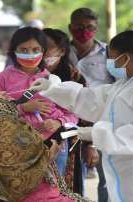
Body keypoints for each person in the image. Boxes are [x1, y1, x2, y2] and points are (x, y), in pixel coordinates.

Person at [30, 23, 133, 202]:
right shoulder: (125, 85)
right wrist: (53, 88)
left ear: (126, 57)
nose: (109, 64)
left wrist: (97, 133)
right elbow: (89, 99)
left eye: (111, 58)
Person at [0, 89, 92, 202]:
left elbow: (19, 164)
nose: (3, 93)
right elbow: (23, 174)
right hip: (37, 196)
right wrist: (50, 154)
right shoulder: (7, 127)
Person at [0, 27, 78, 176]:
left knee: (52, 194)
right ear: (14, 50)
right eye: (23, 50)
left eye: (35, 49)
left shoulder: (52, 80)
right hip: (14, 149)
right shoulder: (2, 78)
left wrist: (58, 122)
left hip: (53, 146)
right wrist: (23, 108)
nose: (30, 54)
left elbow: (73, 115)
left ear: (43, 51)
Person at [43, 28, 99, 196]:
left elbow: (86, 114)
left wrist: (91, 145)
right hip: (34, 143)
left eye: (47, 47)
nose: (42, 51)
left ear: (61, 51)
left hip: (69, 144)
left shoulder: (73, 76)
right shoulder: (31, 74)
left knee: (67, 190)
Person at [68, 8, 112, 201]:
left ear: (96, 28)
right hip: (69, 122)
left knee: (106, 179)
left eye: (90, 27)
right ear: (71, 28)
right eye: (80, 27)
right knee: (71, 180)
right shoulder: (61, 52)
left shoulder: (109, 53)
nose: (85, 32)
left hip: (101, 122)